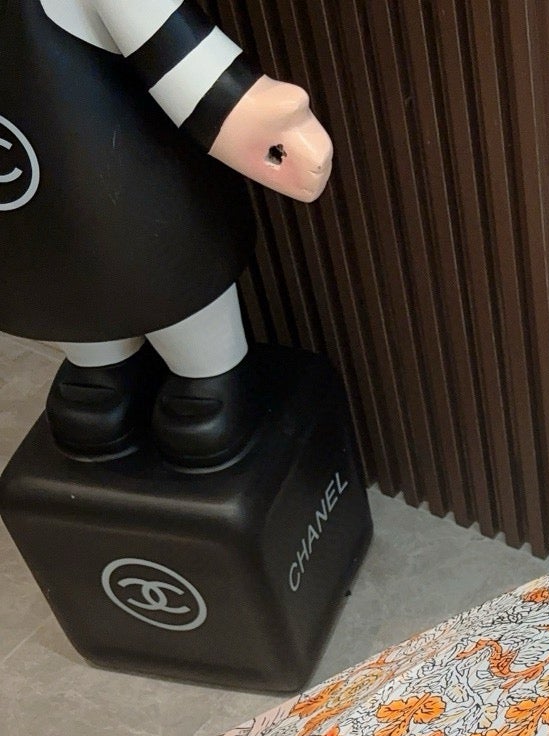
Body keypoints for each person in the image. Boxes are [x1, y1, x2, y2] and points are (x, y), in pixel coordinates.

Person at [0, 0, 332, 468]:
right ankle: (100, 364)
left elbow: (174, 47)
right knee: (51, 279)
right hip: (31, 224)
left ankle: (207, 370)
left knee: (168, 272)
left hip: (133, 183)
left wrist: (253, 118)